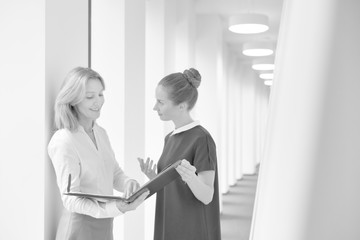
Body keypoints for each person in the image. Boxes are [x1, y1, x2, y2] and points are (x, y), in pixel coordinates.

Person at [48, 67, 148, 240]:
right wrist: (117, 208)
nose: (98, 102)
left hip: (105, 225)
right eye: (89, 96)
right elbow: (70, 198)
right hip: (79, 228)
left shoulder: (100, 133)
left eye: (100, 94)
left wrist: (128, 183)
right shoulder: (64, 140)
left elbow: (114, 173)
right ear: (72, 99)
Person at [138, 68, 221, 240]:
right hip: (169, 221)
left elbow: (207, 196)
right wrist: (155, 177)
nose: (155, 107)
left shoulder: (201, 139)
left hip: (191, 228)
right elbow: (174, 184)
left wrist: (191, 177)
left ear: (182, 105)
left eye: (161, 102)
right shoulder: (170, 138)